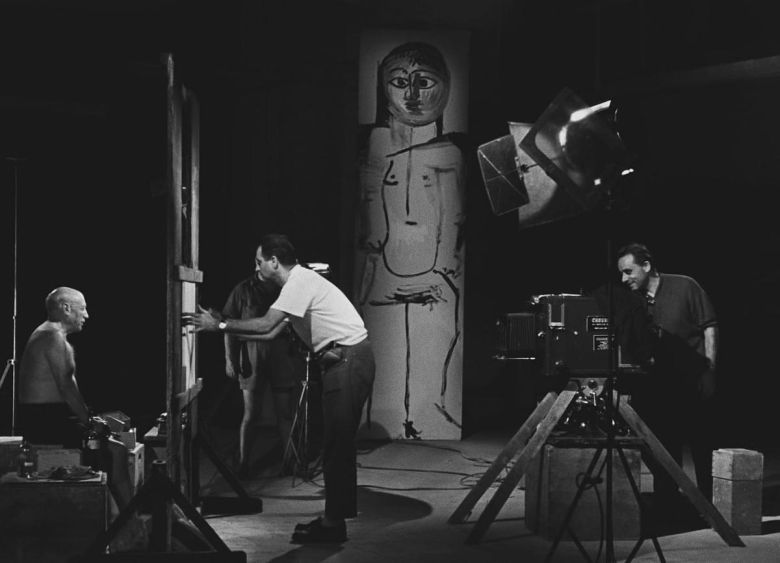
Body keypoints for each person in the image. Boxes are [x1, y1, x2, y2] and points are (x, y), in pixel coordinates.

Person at [184, 233, 375, 544]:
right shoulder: (296, 285)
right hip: (344, 361)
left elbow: (265, 324)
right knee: (335, 444)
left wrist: (219, 325)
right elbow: (270, 333)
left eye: (259, 261)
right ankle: (334, 521)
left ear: (274, 261)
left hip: (348, 360)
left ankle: (333, 525)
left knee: (337, 444)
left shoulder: (299, 281)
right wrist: (223, 329)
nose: (256, 267)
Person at [616, 243, 718, 506]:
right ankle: (668, 501)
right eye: (622, 273)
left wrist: (710, 369)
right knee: (662, 444)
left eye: (628, 271)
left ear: (646, 265)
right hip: (660, 384)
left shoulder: (685, 286)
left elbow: (709, 326)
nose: (624, 279)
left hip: (693, 379)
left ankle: (709, 503)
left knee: (701, 444)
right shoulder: (634, 301)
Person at [17, 287, 134, 510]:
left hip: (49, 417)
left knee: (109, 438)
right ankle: (130, 520)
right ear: (66, 308)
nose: (86, 315)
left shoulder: (48, 334)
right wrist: (89, 423)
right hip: (45, 421)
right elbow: (67, 389)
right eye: (83, 308)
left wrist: (89, 419)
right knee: (117, 451)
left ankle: (116, 516)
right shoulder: (52, 337)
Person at [221, 265, 300, 478]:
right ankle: (243, 462)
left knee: (284, 413)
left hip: (280, 353)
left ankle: (291, 462)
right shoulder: (243, 290)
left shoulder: (283, 287)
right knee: (251, 413)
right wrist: (229, 359)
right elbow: (228, 325)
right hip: (251, 354)